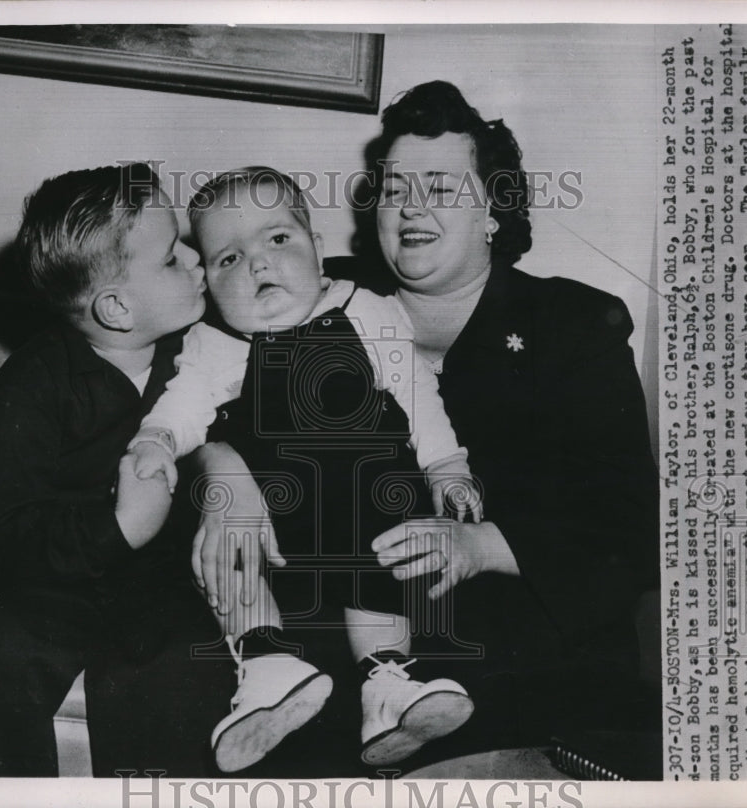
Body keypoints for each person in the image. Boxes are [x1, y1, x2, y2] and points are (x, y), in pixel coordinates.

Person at [195, 81, 660, 766]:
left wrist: (480, 545)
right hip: (327, 622)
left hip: (508, 634)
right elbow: (193, 386)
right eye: (393, 188)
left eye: (439, 188)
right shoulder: (312, 289)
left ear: (493, 210)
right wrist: (222, 469)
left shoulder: (573, 325)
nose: (408, 209)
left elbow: (637, 523)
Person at [128, 167, 482, 772]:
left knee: (387, 532)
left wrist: (448, 465)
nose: (257, 265)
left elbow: (416, 390)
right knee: (224, 540)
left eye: (278, 240)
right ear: (209, 283)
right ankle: (265, 669)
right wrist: (156, 438)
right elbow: (184, 403)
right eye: (229, 259)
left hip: (361, 504)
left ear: (320, 249)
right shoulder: (215, 343)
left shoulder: (366, 309)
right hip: (272, 519)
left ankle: (387, 682)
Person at [0, 163, 208, 776]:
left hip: (156, 581)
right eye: (173, 257)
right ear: (118, 307)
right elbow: (10, 530)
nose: (198, 259)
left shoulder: (205, 351)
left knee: (180, 667)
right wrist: (118, 528)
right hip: (33, 574)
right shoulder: (29, 387)